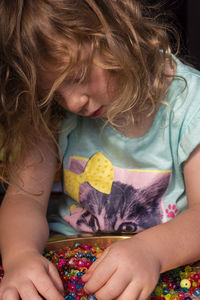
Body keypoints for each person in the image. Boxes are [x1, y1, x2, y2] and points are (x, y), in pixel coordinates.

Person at [0, 0, 200, 299]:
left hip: (169, 268)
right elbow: (24, 198)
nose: (71, 103)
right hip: (73, 268)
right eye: (53, 93)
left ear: (117, 32)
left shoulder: (189, 104)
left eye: (77, 77)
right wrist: (19, 256)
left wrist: (152, 250)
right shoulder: (53, 111)